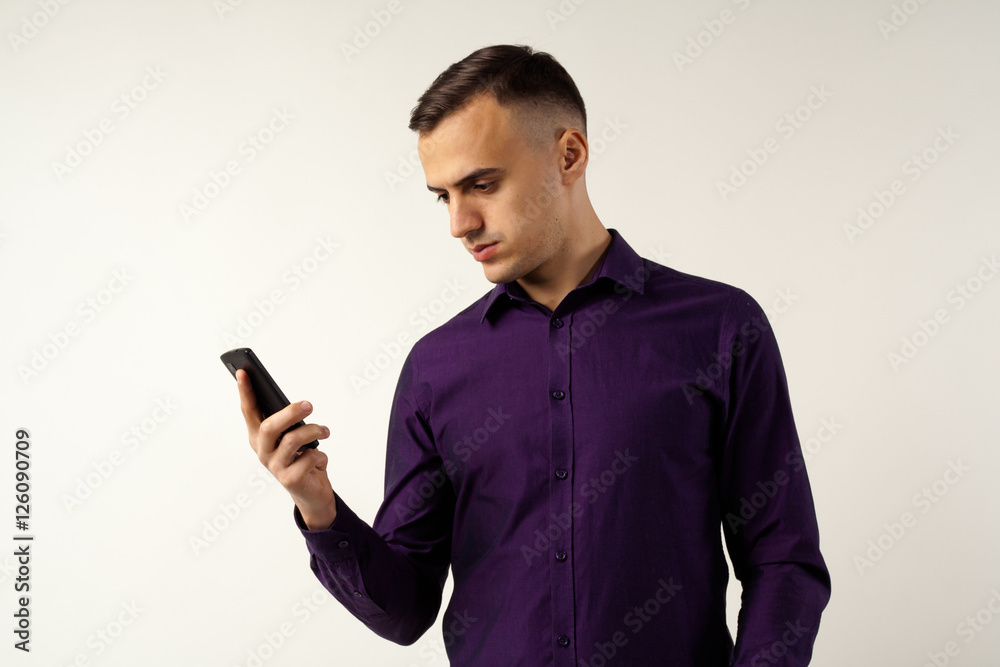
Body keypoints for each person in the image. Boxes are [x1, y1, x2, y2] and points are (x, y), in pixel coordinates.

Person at [236, 44, 831, 666]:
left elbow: (782, 558)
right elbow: (405, 610)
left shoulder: (718, 327)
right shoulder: (436, 368)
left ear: (569, 155)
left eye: (482, 184)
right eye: (443, 195)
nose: (459, 223)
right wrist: (317, 505)